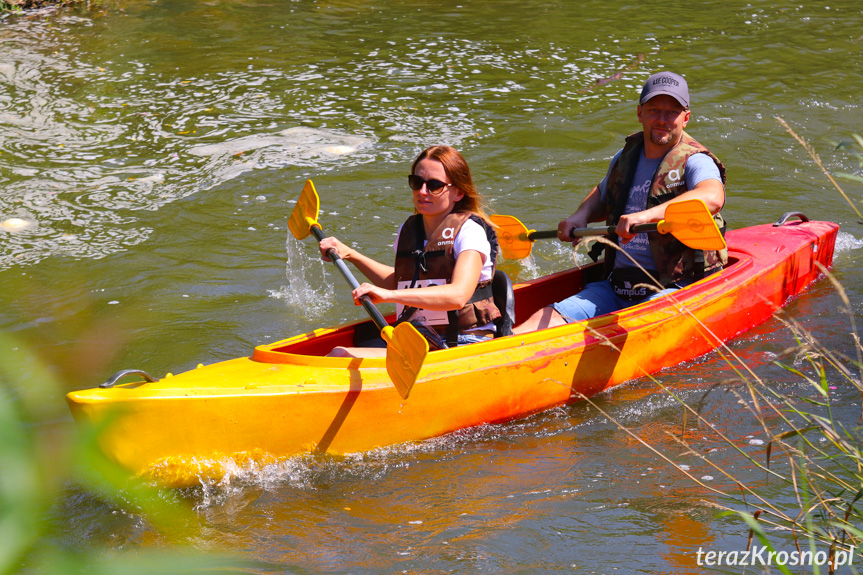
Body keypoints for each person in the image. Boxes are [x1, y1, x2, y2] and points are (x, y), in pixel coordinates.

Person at [514, 71, 727, 333]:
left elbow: (713, 197)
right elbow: (603, 195)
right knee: (543, 320)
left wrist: (646, 216)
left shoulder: (696, 160)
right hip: (617, 283)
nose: (662, 119)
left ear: (686, 117)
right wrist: (579, 216)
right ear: (640, 113)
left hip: (676, 287)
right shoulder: (625, 156)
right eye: (653, 110)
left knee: (625, 328)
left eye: (671, 112)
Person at [318, 145, 501, 357]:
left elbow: (458, 295)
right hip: (419, 338)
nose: (422, 192)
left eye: (434, 185)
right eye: (417, 183)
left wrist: (389, 296)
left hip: (464, 341)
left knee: (340, 354)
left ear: (458, 192)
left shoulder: (470, 232)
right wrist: (350, 254)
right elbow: (403, 283)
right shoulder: (410, 231)